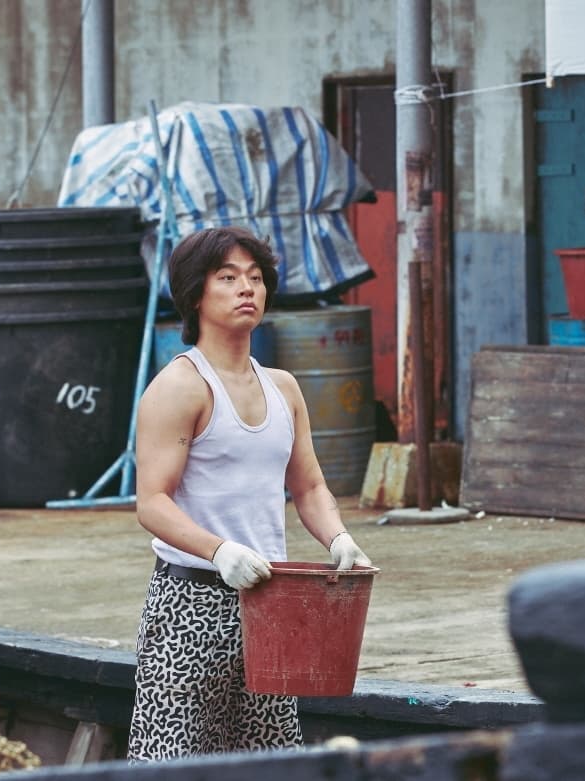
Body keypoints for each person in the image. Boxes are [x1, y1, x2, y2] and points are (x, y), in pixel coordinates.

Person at [128, 226, 373, 761]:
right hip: (190, 604)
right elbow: (152, 502)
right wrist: (219, 551)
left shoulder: (283, 387)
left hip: (270, 604)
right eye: (228, 278)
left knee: (272, 763)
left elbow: (309, 485)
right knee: (171, 765)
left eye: (256, 278)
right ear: (195, 294)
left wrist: (339, 539)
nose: (247, 289)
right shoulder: (180, 386)